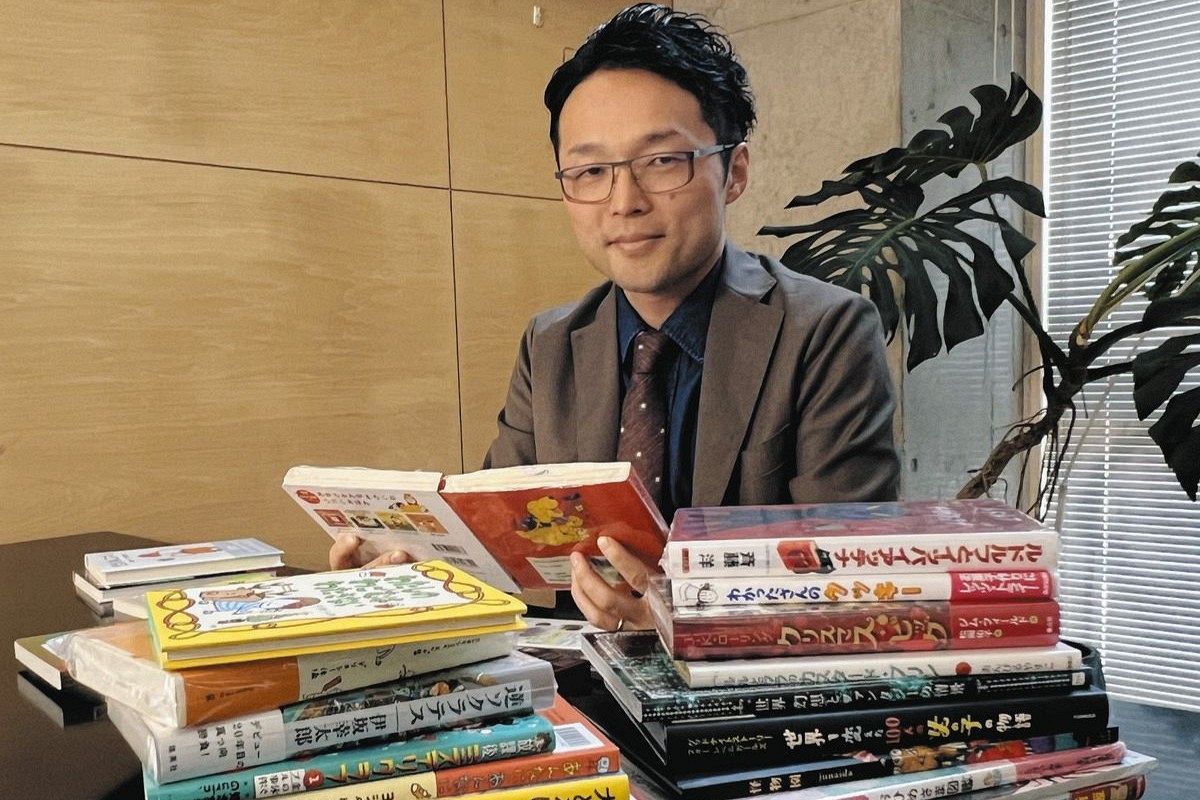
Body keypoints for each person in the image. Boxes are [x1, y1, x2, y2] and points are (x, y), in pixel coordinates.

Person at [331, 4, 900, 632]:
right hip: (574, 675)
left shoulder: (824, 332)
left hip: (744, 681)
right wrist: (413, 576)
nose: (624, 202)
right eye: (591, 171)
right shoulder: (552, 342)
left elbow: (847, 581)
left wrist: (683, 620)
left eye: (662, 161)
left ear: (733, 172)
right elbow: (501, 546)